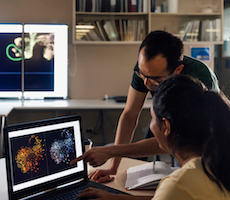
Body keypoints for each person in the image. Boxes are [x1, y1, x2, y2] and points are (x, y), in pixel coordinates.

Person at [71, 30, 220, 183]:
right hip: (182, 142)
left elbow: (177, 139)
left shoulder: (199, 78)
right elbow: (129, 116)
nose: (146, 84)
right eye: (142, 74)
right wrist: (113, 167)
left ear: (178, 71)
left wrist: (110, 150)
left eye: (155, 79)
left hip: (209, 147)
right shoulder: (147, 70)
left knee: (187, 180)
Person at [77, 75, 230, 200]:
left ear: (166, 126)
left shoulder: (178, 185)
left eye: (152, 118)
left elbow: (174, 193)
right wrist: (114, 198)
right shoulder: (217, 164)